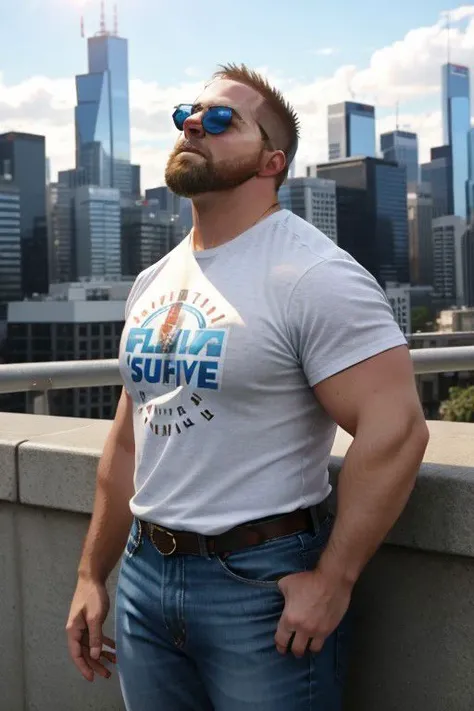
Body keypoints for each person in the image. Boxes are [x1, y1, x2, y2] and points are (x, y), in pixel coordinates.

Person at [66, 63, 429, 711]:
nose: (195, 123)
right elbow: (129, 440)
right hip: (145, 573)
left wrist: (333, 580)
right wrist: (93, 573)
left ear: (271, 161)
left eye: (223, 119)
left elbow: (397, 428)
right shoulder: (153, 281)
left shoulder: (313, 274)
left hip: (260, 586)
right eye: (187, 114)